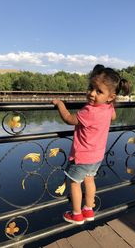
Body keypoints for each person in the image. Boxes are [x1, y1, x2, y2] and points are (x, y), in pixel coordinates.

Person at [52, 64, 130, 225]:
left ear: (110, 96)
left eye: (98, 91)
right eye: (91, 88)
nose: (92, 93)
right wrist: (109, 102)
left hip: (82, 156)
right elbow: (114, 116)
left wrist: (60, 104)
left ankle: (76, 214)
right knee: (90, 181)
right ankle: (88, 209)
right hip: (97, 156)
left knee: (74, 183)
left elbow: (69, 119)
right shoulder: (108, 108)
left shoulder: (89, 111)